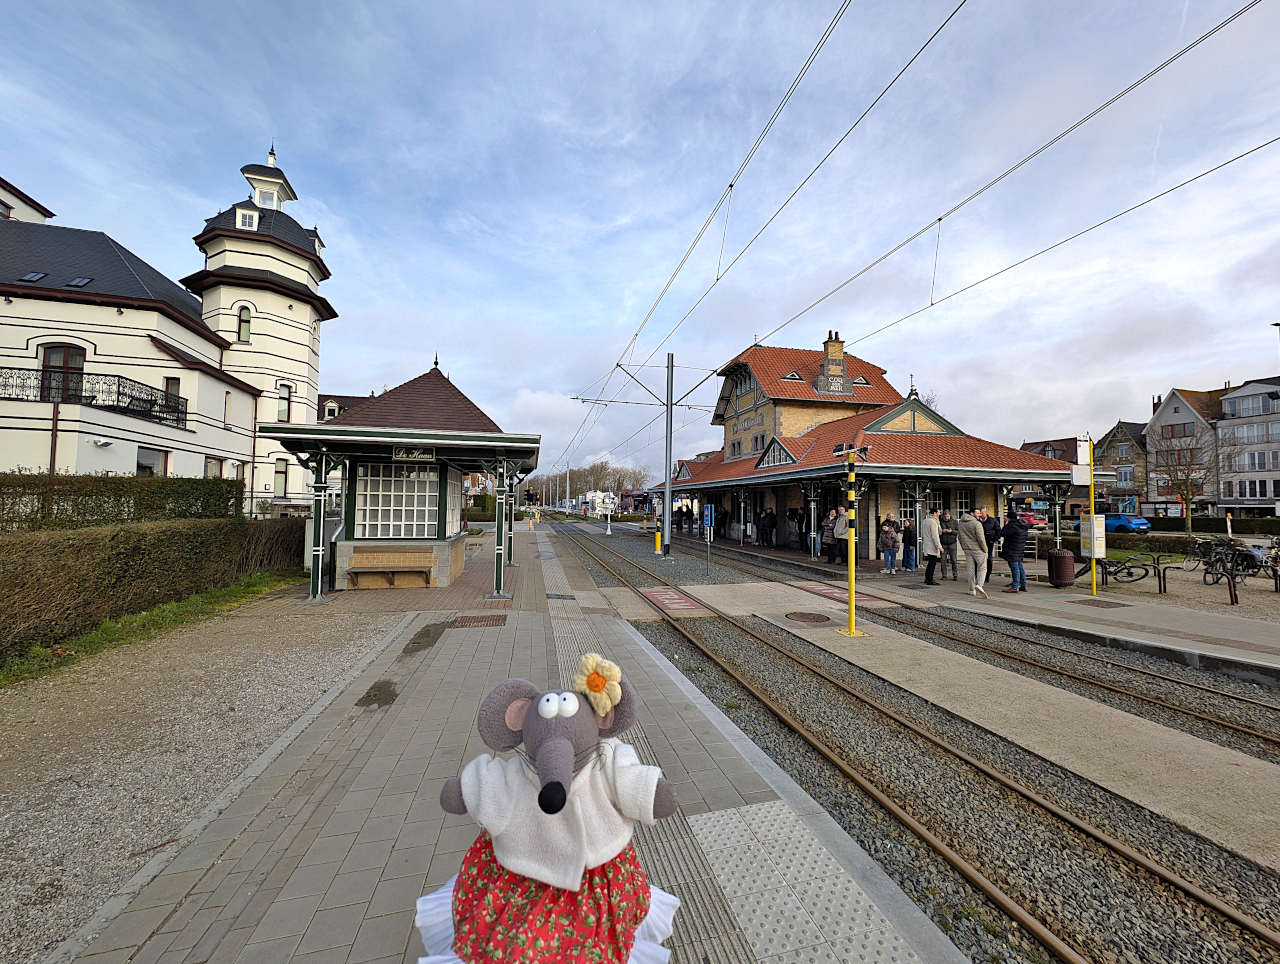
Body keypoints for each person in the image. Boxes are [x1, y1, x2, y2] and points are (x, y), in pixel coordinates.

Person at [957, 508, 989, 598]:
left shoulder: (961, 523)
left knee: (970, 569)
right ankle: (979, 585)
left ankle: (972, 590)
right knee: (982, 568)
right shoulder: (977, 523)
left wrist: (964, 547)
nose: (979, 514)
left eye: (980, 513)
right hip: (978, 549)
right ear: (971, 513)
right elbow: (981, 539)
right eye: (977, 513)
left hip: (967, 549)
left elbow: (959, 537)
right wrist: (985, 550)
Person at [1000, 511, 1030, 592]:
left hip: (1012, 549)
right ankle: (1023, 585)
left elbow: (1002, 533)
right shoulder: (1022, 524)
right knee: (1020, 566)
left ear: (1009, 517)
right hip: (1020, 548)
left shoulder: (1011, 525)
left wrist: (1006, 524)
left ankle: (1015, 587)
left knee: (1015, 568)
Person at [921, 508, 942, 585]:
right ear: (935, 513)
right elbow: (935, 535)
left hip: (927, 544)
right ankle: (930, 579)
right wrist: (939, 546)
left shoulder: (925, 520)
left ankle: (927, 578)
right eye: (939, 512)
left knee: (930, 563)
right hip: (932, 545)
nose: (940, 514)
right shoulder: (933, 522)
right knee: (932, 563)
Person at [980, 508, 1000, 584]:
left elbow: (998, 530)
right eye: (980, 513)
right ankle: (979, 575)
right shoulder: (977, 521)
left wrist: (993, 539)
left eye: (982, 513)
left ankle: (987, 576)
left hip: (989, 543)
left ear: (985, 513)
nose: (981, 515)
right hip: (979, 543)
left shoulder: (992, 520)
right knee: (980, 560)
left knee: (989, 559)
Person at [938, 510, 959, 580]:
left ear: (950, 515)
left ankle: (955, 575)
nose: (947, 517)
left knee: (954, 560)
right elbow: (937, 531)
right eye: (945, 516)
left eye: (948, 516)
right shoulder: (940, 522)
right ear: (943, 516)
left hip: (952, 543)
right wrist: (942, 531)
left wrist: (951, 531)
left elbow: (958, 531)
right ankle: (944, 575)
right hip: (943, 543)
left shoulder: (955, 522)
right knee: (943, 560)